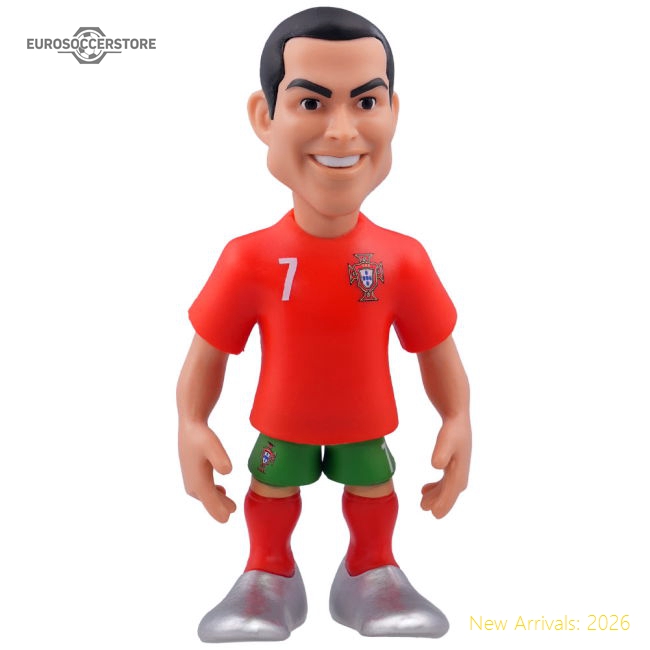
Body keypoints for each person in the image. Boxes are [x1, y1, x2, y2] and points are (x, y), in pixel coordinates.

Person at [177, 6, 471, 642]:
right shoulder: (249, 259)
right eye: (311, 103)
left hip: (364, 422)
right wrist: (191, 423)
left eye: (366, 102)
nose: (341, 132)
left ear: (393, 112)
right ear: (266, 117)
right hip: (282, 421)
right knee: (271, 488)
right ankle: (268, 572)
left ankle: (371, 570)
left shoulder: (402, 259)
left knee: (373, 488)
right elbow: (209, 351)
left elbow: (435, 348)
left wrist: (457, 418)